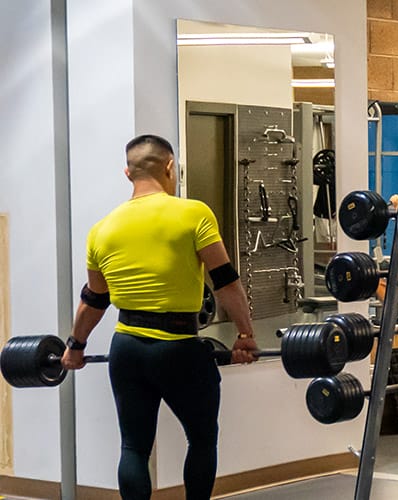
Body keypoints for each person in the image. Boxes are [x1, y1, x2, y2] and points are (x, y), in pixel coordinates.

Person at [62, 135, 258, 500]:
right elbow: (226, 282)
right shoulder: (193, 213)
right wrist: (245, 336)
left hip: (127, 350)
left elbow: (94, 301)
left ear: (127, 173)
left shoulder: (101, 229)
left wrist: (75, 346)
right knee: (201, 439)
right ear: (170, 168)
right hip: (179, 349)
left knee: (134, 447)